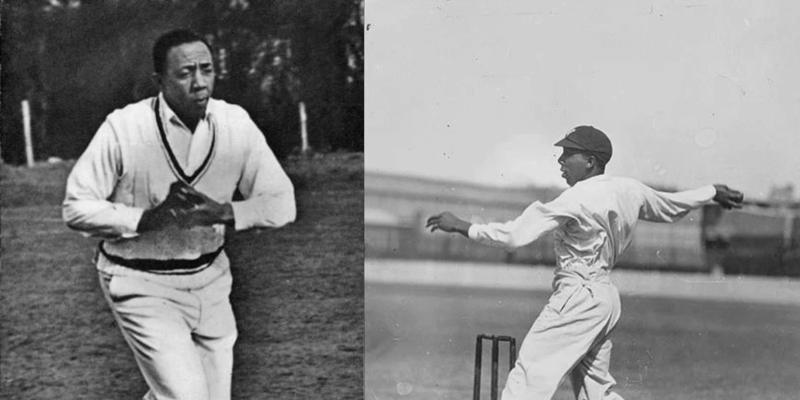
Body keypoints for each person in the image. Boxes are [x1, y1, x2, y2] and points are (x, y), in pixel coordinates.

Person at [425, 125, 743, 400]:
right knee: (597, 391)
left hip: (576, 297)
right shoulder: (629, 190)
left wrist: (464, 225)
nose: (561, 161)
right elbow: (672, 206)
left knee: (528, 378)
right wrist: (711, 191)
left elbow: (513, 237)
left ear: (590, 161)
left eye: (569, 155)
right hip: (604, 299)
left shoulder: (574, 200)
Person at [63, 29, 296, 400]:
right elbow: (76, 207)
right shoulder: (125, 127)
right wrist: (148, 220)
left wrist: (225, 212)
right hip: (141, 283)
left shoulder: (235, 123)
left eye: (207, 69)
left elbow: (283, 202)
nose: (200, 82)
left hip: (211, 281)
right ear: (160, 80)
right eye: (186, 73)